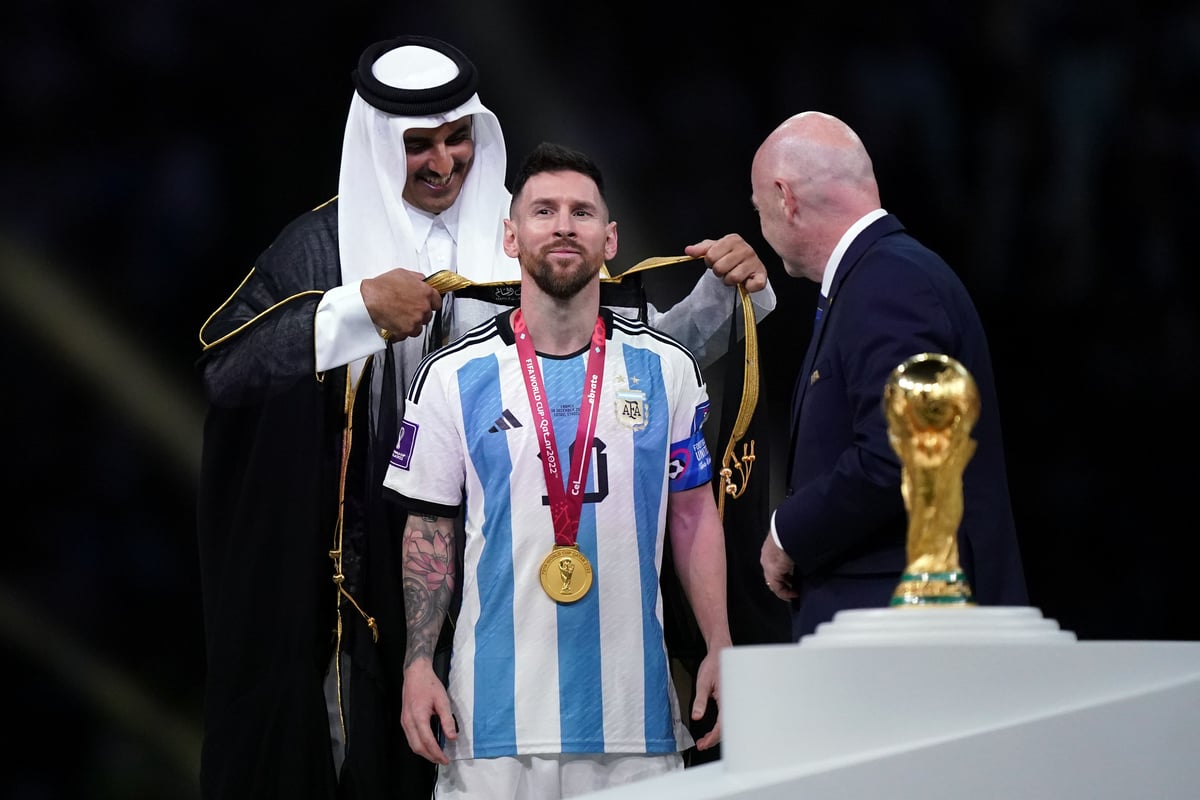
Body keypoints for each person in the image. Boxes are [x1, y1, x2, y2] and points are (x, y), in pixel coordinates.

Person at [195, 35, 773, 800]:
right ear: (376, 142)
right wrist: (358, 309)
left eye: (457, 137)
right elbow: (226, 366)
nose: (443, 162)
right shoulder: (320, 250)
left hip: (506, 588)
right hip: (364, 590)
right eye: (418, 145)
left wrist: (733, 296)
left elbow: (631, 356)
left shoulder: (527, 235)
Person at [383, 141, 732, 799]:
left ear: (610, 239)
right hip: (487, 726)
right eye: (544, 211)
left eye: (582, 211)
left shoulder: (668, 369)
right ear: (511, 236)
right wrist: (417, 664)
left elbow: (693, 514)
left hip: (636, 726)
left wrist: (719, 643)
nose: (565, 225)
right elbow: (428, 529)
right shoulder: (452, 376)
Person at [751, 111, 1028, 641]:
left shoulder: (889, 282)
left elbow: (898, 453)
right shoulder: (881, 277)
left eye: (758, 205)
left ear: (785, 197)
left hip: (909, 634)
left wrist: (788, 532)